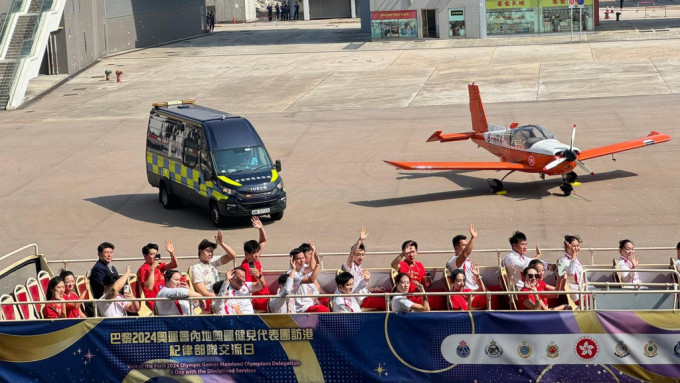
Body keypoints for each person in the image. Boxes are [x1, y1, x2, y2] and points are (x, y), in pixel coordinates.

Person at [341, 226, 386, 310]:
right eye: (358, 255)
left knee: (388, 293)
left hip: (367, 295)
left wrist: (375, 289)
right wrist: (360, 240)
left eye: (363, 255)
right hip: (361, 300)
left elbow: (363, 288)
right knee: (386, 303)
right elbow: (351, 254)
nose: (361, 257)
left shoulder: (359, 268)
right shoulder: (350, 267)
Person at [191, 230, 237, 309]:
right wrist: (221, 297)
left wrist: (221, 243)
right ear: (200, 251)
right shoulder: (196, 269)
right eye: (208, 251)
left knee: (237, 304)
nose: (210, 254)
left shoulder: (212, 261)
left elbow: (233, 255)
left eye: (212, 252)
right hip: (209, 301)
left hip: (219, 295)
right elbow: (204, 293)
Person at [446, 224, 486, 309]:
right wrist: (473, 238)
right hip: (466, 295)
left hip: (475, 292)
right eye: (464, 245)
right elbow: (465, 254)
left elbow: (477, 283)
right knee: (492, 298)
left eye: (467, 245)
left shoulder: (469, 262)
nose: (467, 247)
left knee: (496, 293)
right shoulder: (454, 261)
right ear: (456, 248)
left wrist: (478, 277)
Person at [238, 217, 270, 311]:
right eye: (254, 254)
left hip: (267, 295)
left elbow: (263, 241)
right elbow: (247, 288)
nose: (257, 256)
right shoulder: (245, 267)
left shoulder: (254, 259)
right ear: (247, 254)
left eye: (258, 252)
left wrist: (261, 228)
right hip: (259, 301)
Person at [137, 239, 178, 311]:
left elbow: (174, 265)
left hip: (164, 298)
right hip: (155, 303)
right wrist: (152, 268)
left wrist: (172, 253)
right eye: (152, 254)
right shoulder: (143, 269)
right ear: (145, 256)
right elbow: (149, 287)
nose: (154, 256)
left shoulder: (159, 265)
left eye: (156, 254)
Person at [390, 240, 430, 304]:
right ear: (405, 254)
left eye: (413, 252)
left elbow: (426, 284)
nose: (411, 254)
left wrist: (428, 281)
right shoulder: (402, 264)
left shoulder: (420, 265)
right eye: (408, 252)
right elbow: (393, 265)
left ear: (417, 252)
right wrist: (402, 253)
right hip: (406, 297)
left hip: (419, 295)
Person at [290, 248, 329, 312]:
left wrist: (313, 251)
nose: (302, 261)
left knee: (331, 301)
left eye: (303, 258)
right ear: (292, 261)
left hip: (310, 302)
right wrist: (318, 264)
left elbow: (311, 268)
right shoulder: (292, 274)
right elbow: (311, 280)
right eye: (299, 259)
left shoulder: (300, 268)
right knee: (324, 310)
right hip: (302, 308)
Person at [558, 235, 584, 303]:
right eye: (573, 246)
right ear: (567, 247)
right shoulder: (562, 261)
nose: (576, 248)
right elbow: (571, 273)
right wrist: (573, 257)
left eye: (578, 245)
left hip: (583, 288)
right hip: (576, 293)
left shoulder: (575, 260)